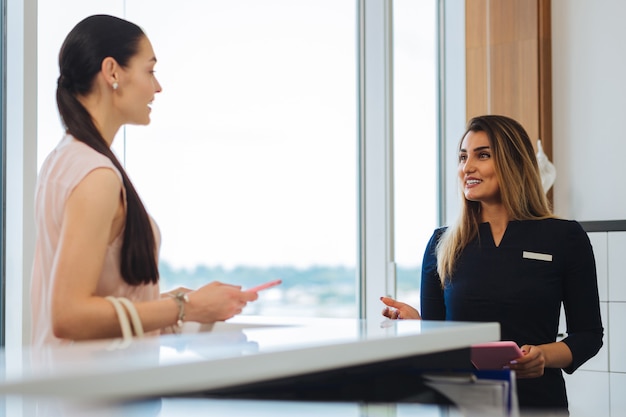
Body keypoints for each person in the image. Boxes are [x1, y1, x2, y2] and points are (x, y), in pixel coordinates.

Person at [31, 15, 258, 347]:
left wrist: (171, 303)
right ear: (112, 72)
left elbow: (96, 297)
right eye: (150, 71)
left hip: (74, 390)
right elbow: (70, 315)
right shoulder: (96, 175)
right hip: (102, 395)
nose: (157, 86)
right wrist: (183, 307)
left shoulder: (63, 161)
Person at [380, 115, 603, 410]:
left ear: (514, 162)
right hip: (461, 405)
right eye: (462, 157)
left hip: (538, 405)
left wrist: (543, 356)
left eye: (482, 155)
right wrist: (418, 326)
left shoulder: (565, 237)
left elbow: (588, 336)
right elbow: (439, 347)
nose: (467, 167)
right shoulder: (441, 244)